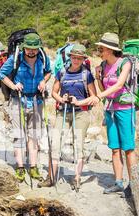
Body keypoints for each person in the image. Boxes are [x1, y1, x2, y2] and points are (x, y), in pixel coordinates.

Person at [38, 44, 99, 190]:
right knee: (55, 143)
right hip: (63, 112)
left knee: (79, 145)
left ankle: (77, 178)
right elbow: (54, 92)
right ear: (70, 57)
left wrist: (79, 102)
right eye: (74, 57)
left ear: (83, 59)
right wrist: (61, 99)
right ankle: (51, 177)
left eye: (79, 58)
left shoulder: (87, 75)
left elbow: (94, 97)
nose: (76, 60)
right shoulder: (62, 72)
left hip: (81, 113)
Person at [0, 33, 52, 183]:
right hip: (18, 100)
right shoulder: (16, 58)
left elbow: (49, 72)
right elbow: (2, 74)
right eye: (29, 48)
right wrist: (13, 86)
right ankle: (20, 168)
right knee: (19, 135)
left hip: (36, 101)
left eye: (34, 48)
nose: (32, 51)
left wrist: (43, 81)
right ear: (24, 47)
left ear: (38, 48)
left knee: (34, 136)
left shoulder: (43, 58)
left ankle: (33, 168)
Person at [95, 32, 137, 198]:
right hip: (110, 110)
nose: (100, 51)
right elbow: (104, 89)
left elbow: (119, 85)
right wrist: (98, 77)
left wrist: (98, 97)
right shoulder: (103, 65)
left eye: (102, 48)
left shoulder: (124, 63)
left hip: (125, 110)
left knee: (128, 149)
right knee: (114, 148)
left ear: (110, 49)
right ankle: (118, 183)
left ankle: (134, 185)